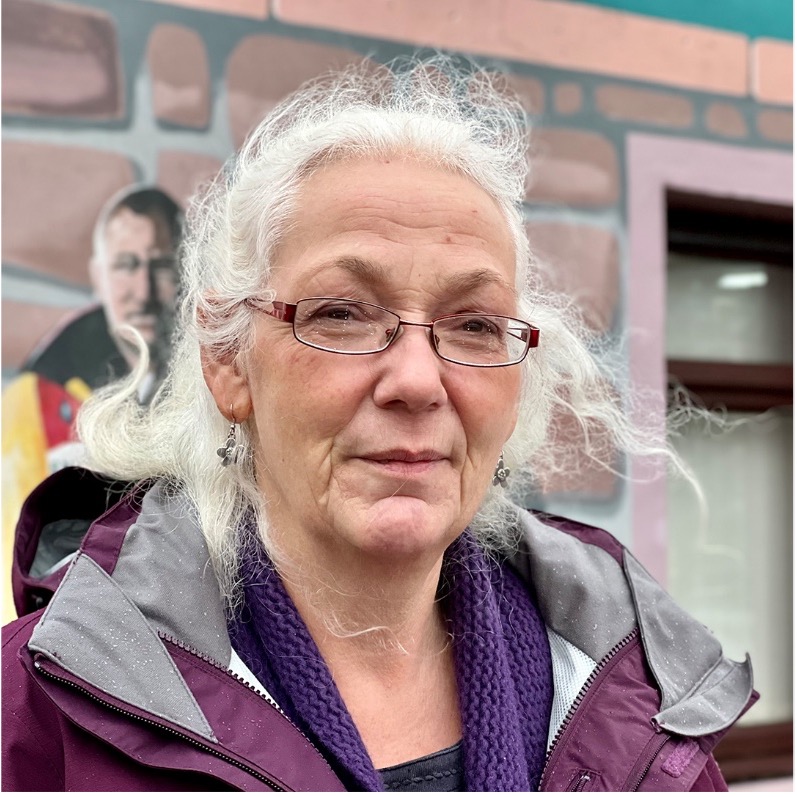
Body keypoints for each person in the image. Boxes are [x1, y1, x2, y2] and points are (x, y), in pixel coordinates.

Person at [2, 58, 754, 792]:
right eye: (341, 313)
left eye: (474, 325)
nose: (419, 381)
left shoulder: (639, 695)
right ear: (228, 361)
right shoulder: (33, 715)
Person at [1, 186, 181, 621]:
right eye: (126, 266)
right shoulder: (39, 396)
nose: (143, 290)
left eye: (160, 266)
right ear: (98, 275)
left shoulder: (224, 379)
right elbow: (11, 547)